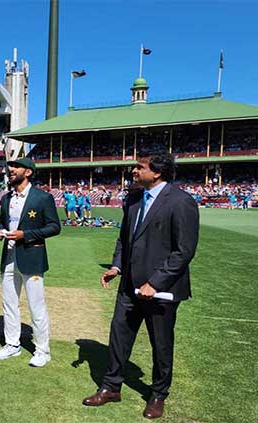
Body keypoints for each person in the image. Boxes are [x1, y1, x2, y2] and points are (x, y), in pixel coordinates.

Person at [82, 153, 199, 419]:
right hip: (129, 285)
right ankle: (111, 387)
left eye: (139, 167)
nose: (133, 171)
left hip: (161, 290)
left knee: (161, 343)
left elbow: (184, 251)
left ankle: (158, 395)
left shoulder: (182, 202)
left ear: (157, 172)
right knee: (119, 337)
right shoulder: (134, 199)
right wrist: (116, 267)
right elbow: (125, 239)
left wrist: (155, 282)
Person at [0, 157, 61, 367]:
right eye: (10, 167)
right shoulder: (6, 198)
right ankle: (12, 345)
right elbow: (3, 222)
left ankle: (42, 350)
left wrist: (26, 235)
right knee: (9, 304)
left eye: (16, 167)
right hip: (9, 257)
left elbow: (54, 227)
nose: (11, 170)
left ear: (28, 172)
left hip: (32, 257)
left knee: (36, 306)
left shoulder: (42, 198)